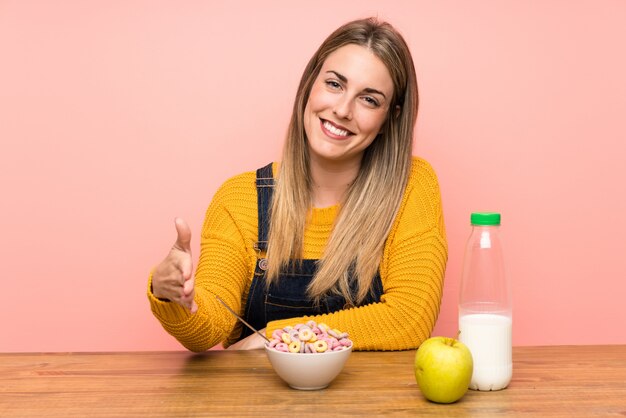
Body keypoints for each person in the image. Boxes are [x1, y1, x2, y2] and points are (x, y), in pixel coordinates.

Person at [148, 17, 447, 351]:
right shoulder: (238, 200)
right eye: (335, 84)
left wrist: (274, 338)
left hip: (371, 403)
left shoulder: (412, 188)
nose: (343, 109)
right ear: (310, 84)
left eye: (369, 99)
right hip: (260, 403)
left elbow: (409, 319)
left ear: (389, 120)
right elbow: (209, 329)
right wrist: (171, 294)